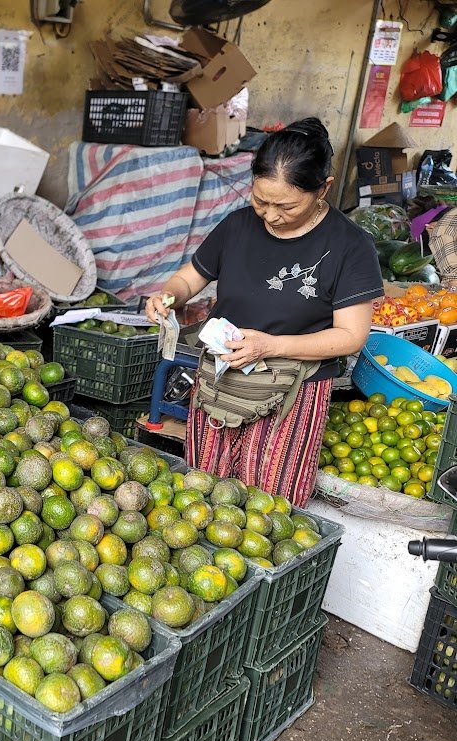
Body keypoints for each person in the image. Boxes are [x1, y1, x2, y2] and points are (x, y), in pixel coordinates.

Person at [145, 117, 383, 506]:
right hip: (221, 382)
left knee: (268, 508)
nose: (270, 215)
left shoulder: (350, 247)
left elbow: (350, 336)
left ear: (323, 188)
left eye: (285, 205)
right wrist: (168, 295)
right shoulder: (237, 226)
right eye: (260, 201)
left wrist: (269, 345)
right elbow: (189, 280)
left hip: (291, 392)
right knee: (201, 498)